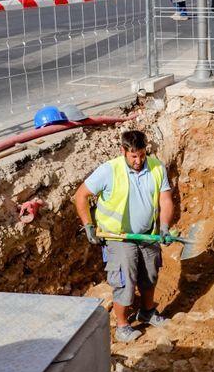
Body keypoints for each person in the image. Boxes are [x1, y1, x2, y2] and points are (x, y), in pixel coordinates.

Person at [73, 129, 177, 343]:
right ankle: (122, 326)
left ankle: (147, 312)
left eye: (141, 154)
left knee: (150, 276)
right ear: (123, 151)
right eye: (133, 156)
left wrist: (164, 226)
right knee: (125, 282)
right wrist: (89, 226)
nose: (138, 160)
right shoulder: (109, 170)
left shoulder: (156, 167)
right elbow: (80, 195)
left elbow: (165, 200)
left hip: (147, 235)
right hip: (118, 237)